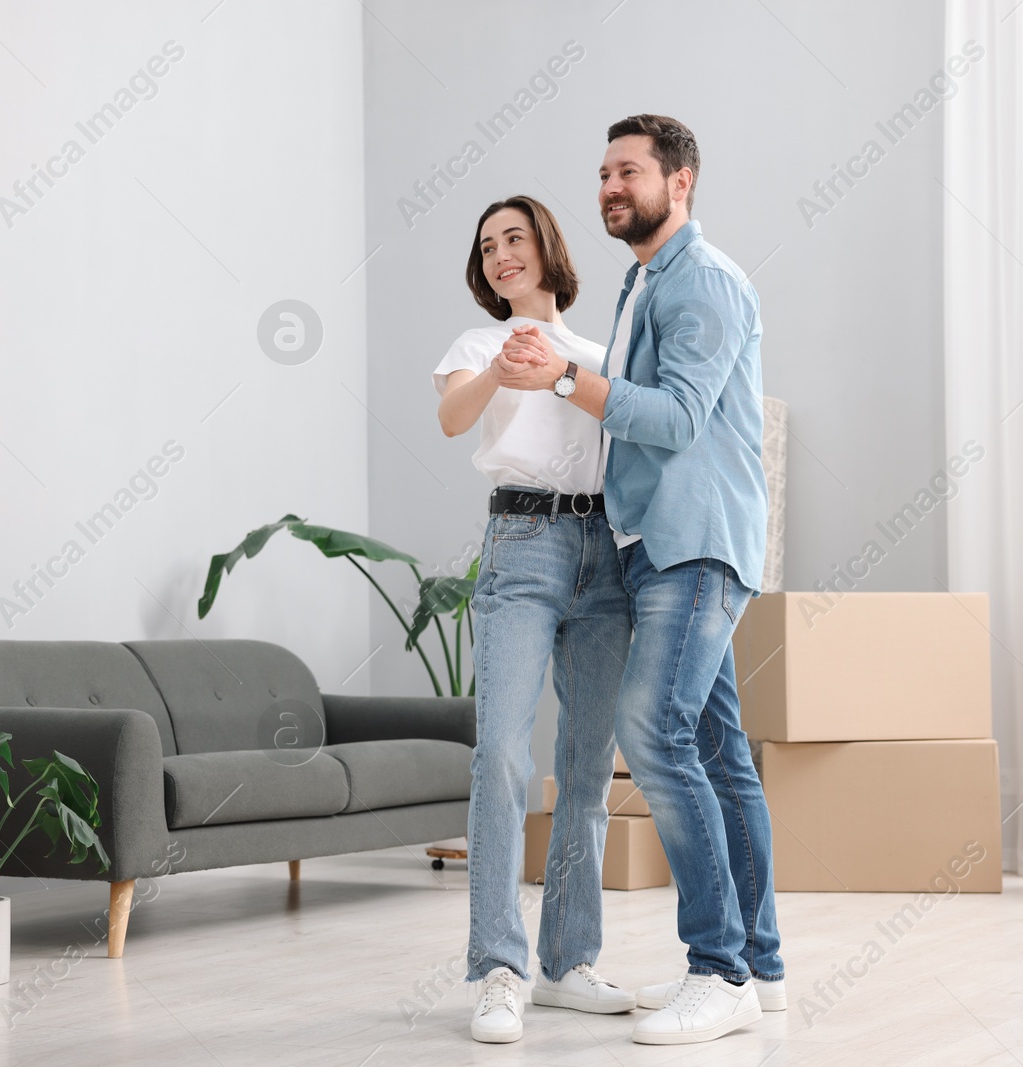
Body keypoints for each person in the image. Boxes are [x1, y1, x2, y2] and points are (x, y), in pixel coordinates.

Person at [494, 114, 785, 1046]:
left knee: (651, 728)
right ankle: (763, 966)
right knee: (723, 754)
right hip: (658, 542)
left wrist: (559, 381)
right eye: (605, 172)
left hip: (693, 540)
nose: (612, 186)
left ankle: (718, 967)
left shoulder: (699, 279)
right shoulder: (645, 279)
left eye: (630, 171)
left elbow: (678, 418)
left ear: (681, 180)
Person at [434, 194, 636, 1044]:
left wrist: (559, 369)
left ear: (547, 247)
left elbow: (628, 427)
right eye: (487, 247)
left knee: (588, 766)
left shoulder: (599, 350)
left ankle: (569, 960)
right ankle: (498, 970)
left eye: (514, 238)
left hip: (605, 550)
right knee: (503, 758)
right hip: (520, 540)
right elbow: (452, 418)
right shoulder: (478, 343)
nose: (500, 255)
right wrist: (500, 371)